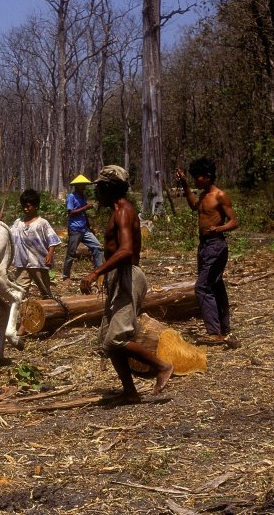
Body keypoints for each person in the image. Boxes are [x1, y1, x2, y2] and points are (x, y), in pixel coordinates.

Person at [80, 165, 173, 404]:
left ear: (109, 188)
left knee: (116, 339)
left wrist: (95, 272)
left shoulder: (123, 211)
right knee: (108, 341)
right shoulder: (117, 210)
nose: (97, 193)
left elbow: (126, 250)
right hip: (118, 276)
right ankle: (129, 391)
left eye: (100, 188)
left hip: (128, 275)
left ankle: (162, 366)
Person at [175, 157, 240, 346]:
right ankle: (223, 327)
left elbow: (234, 222)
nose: (196, 181)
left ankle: (215, 333)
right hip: (204, 245)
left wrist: (219, 229)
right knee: (215, 284)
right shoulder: (203, 195)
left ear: (208, 177)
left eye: (198, 178)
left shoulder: (220, 195)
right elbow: (193, 206)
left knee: (202, 287)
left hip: (216, 245)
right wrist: (186, 185)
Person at [10, 189, 62, 336]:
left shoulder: (42, 223)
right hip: (22, 263)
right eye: (24, 206)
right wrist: (0, 222)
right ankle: (23, 324)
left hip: (39, 262)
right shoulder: (18, 222)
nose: (26, 209)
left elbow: (53, 240)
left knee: (45, 292)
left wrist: (50, 255)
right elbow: (9, 233)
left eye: (29, 206)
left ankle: (53, 318)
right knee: (20, 293)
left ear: (36, 206)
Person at [62, 175, 104, 281]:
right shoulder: (71, 197)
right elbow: (70, 212)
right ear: (76, 186)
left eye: (84, 185)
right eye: (81, 185)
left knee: (97, 247)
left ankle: (98, 272)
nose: (84, 186)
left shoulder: (83, 196)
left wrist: (89, 227)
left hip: (84, 229)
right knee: (71, 253)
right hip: (75, 229)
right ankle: (66, 276)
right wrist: (85, 207)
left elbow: (84, 213)